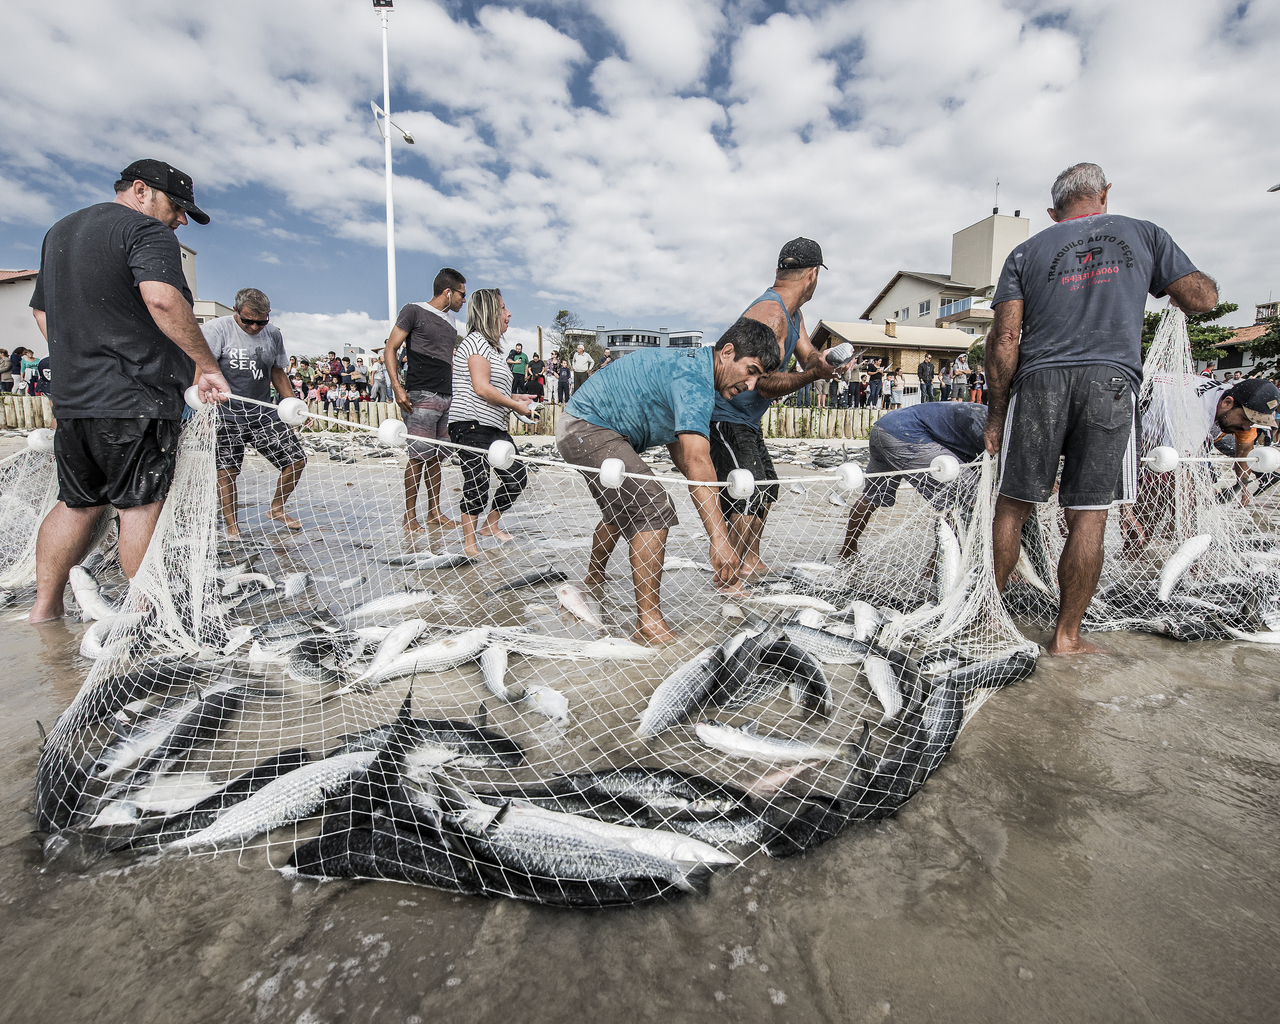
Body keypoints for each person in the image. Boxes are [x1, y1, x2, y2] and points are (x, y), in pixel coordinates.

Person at [984, 161, 1218, 655]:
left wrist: (996, 416)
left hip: (1039, 382)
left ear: (1053, 212)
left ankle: (981, 621)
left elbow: (1005, 338)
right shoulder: (1145, 235)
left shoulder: (1025, 252)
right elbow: (1201, 298)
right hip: (1111, 382)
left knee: (1011, 507)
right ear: (1104, 195)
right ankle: (1066, 638)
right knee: (1089, 515)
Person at [26, 158, 229, 623]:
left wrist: (82, 358)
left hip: (75, 400)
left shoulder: (60, 232)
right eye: (177, 207)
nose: (180, 220)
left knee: (77, 502)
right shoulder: (146, 231)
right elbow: (161, 297)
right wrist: (206, 365)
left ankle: (44, 610)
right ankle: (147, 616)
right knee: (141, 505)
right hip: (135, 398)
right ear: (140, 190)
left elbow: (41, 315)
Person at [557, 317, 779, 643]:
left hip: (594, 427)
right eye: (751, 370)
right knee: (653, 505)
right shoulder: (695, 379)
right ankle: (649, 625)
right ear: (727, 352)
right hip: (586, 427)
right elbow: (696, 459)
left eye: (759, 377)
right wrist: (719, 538)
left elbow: (683, 452)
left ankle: (593, 582)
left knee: (625, 506)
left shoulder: (694, 370)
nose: (750, 385)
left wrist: (700, 485)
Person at [709, 237, 839, 579]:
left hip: (747, 420)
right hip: (726, 417)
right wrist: (812, 375)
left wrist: (822, 360)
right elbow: (763, 382)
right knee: (745, 490)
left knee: (766, 490)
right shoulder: (771, 314)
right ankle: (729, 571)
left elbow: (807, 351)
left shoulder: (792, 312)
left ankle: (750, 560)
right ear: (813, 275)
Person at [202, 288, 308, 537]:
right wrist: (203, 412)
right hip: (225, 414)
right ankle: (232, 527)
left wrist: (294, 407)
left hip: (263, 413)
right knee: (227, 471)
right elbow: (203, 369)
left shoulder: (272, 334)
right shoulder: (216, 330)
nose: (254, 327)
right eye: (248, 321)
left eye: (261, 321)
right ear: (235, 311)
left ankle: (277, 508)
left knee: (296, 459)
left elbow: (277, 372)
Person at [448, 289, 538, 556]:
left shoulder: (495, 349)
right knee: (477, 484)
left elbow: (493, 388)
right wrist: (515, 405)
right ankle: (470, 545)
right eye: (502, 308)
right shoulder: (475, 342)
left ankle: (490, 525)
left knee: (516, 477)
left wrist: (516, 397)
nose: (508, 313)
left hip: (494, 426)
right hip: (470, 424)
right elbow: (481, 388)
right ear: (488, 311)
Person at [840, 402, 988, 559]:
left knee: (872, 495)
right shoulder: (996, 425)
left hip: (884, 426)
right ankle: (935, 567)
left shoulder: (988, 413)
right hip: (908, 434)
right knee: (962, 497)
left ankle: (847, 550)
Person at [386, 267, 467, 533]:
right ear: (448, 292)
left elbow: (449, 361)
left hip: (446, 395)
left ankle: (434, 512)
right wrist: (397, 387)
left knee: (436, 458)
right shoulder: (414, 310)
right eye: (461, 295)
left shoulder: (451, 322)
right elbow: (391, 348)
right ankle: (409, 517)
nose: (463, 300)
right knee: (418, 456)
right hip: (420, 393)